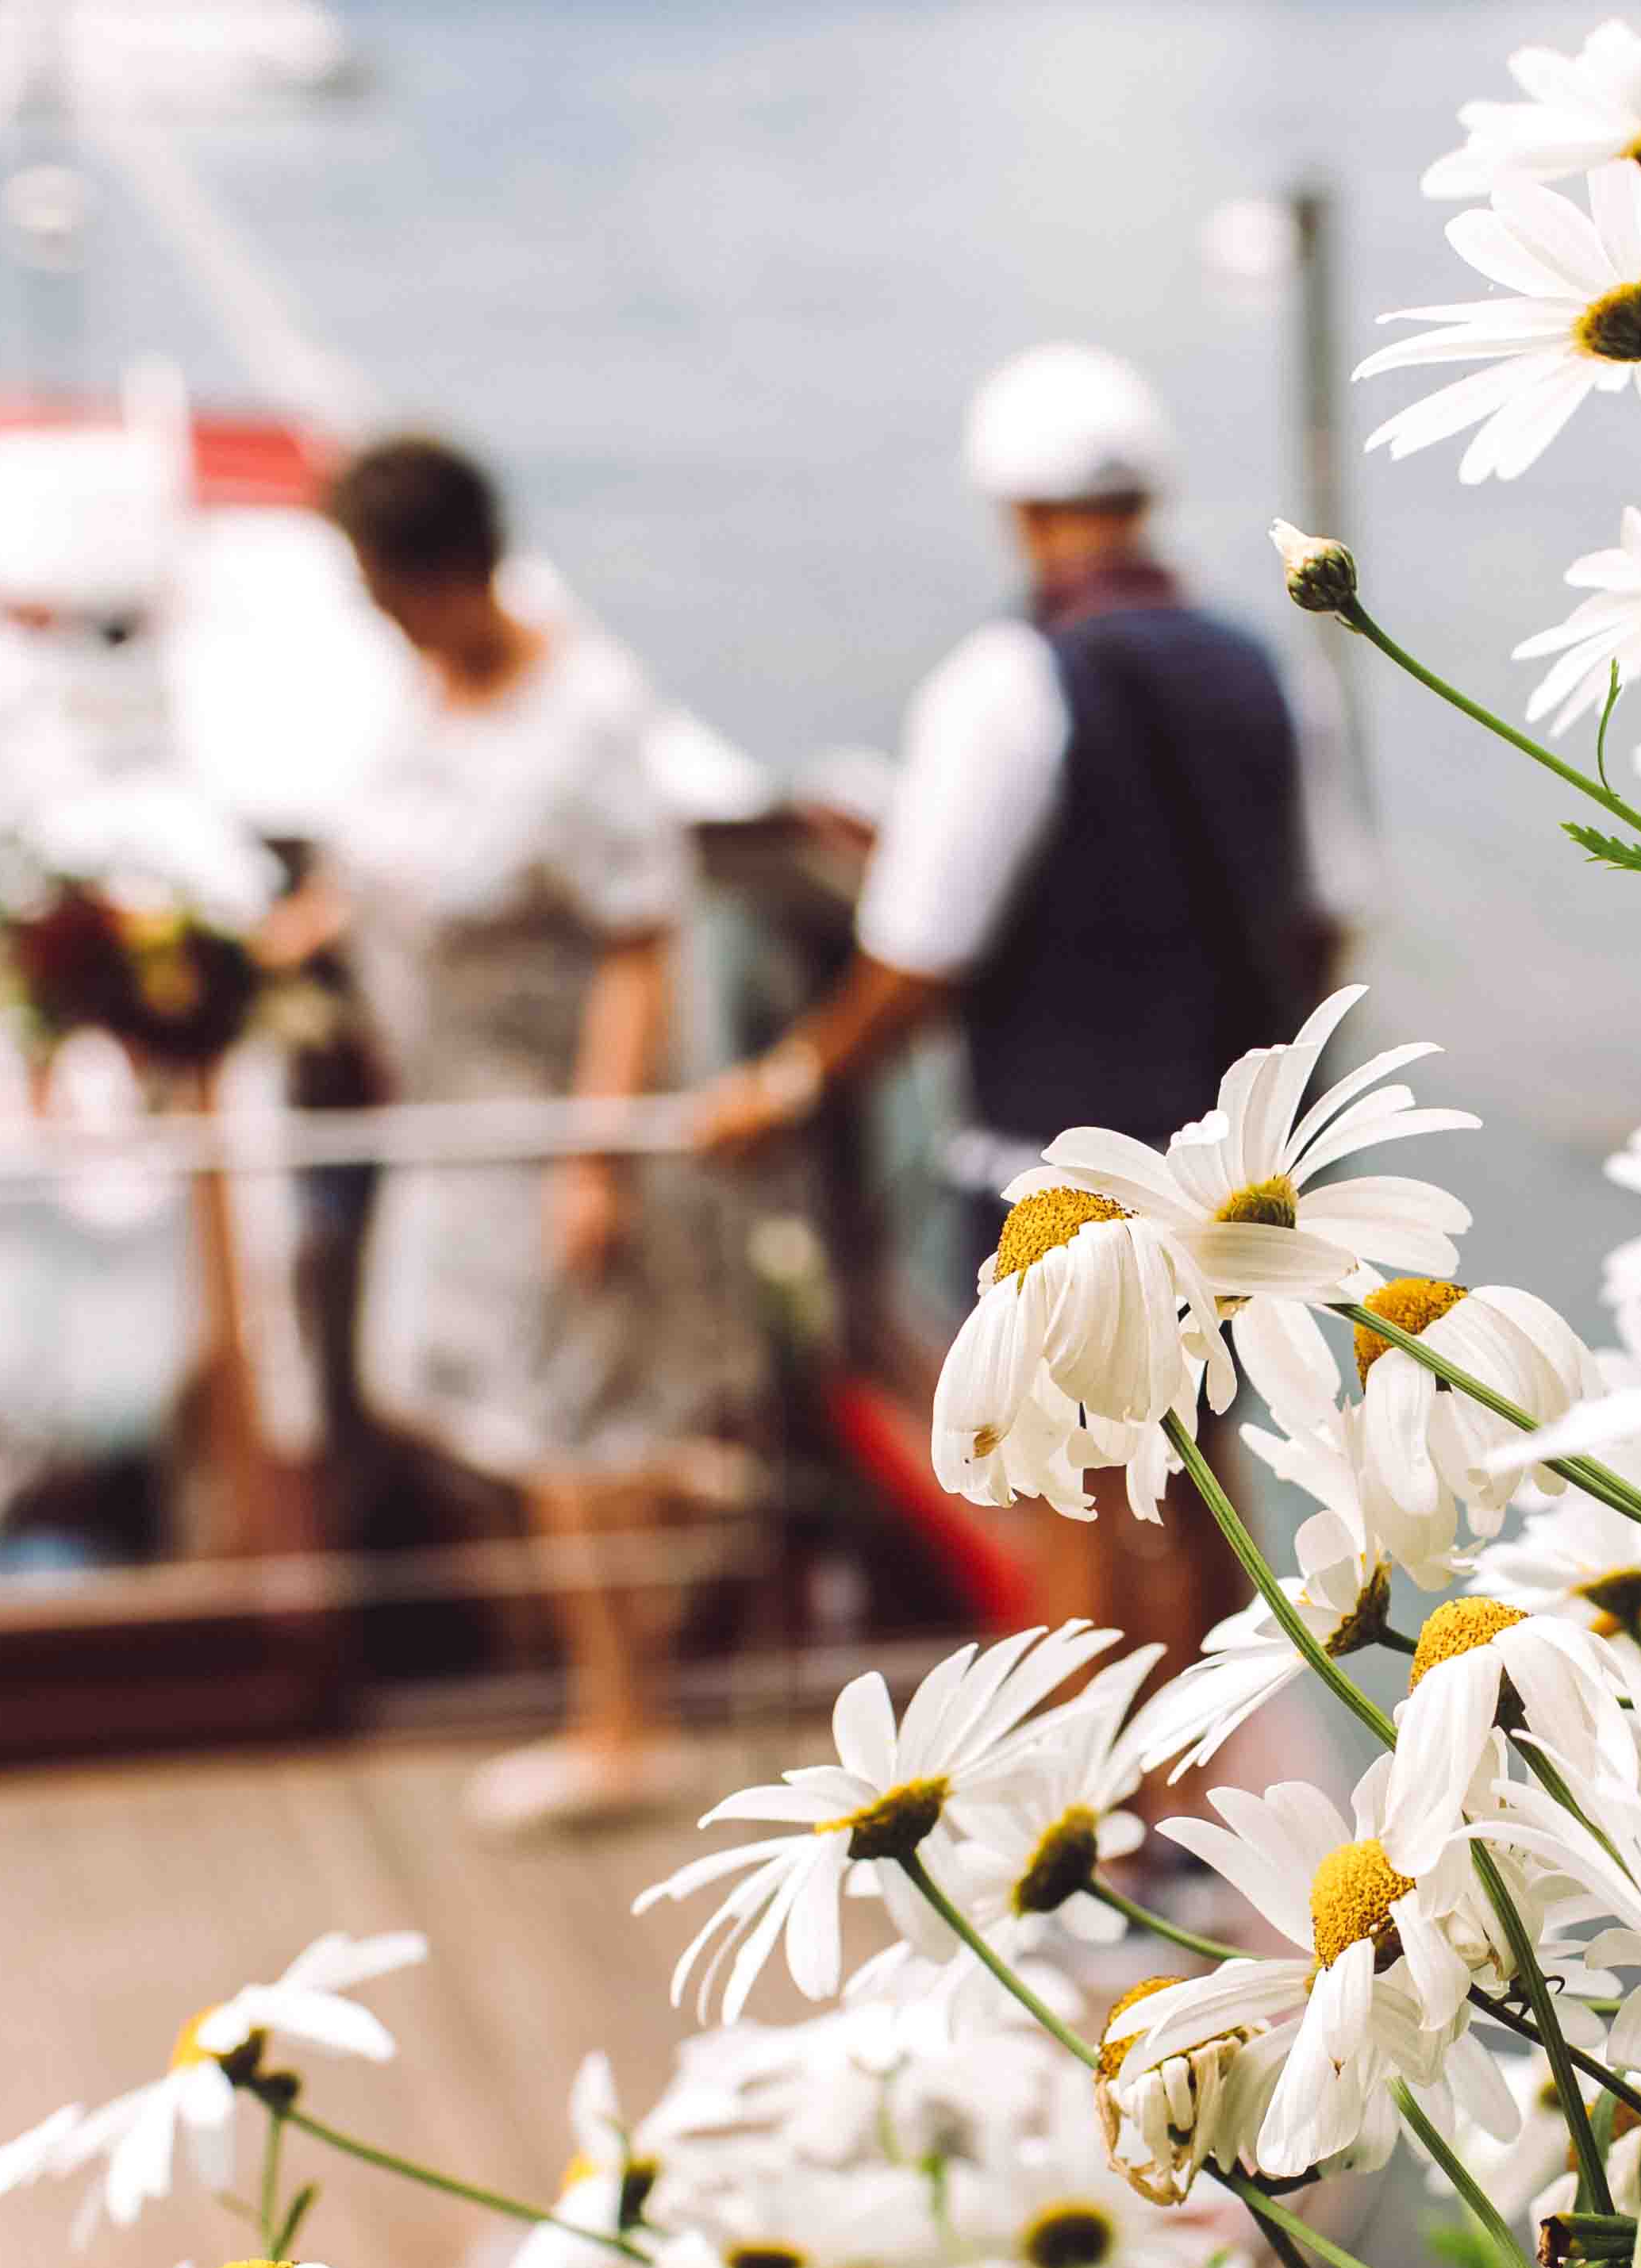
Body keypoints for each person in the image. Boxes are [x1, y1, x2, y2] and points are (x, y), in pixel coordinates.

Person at [693, 344, 1359, 1663]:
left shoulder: (1004, 684)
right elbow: (1326, 914)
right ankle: (1191, 1801)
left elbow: (920, 952)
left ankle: (1110, 1808)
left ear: (1014, 507)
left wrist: (792, 1082)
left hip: (1054, 1169)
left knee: (1082, 1484)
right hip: (1234, 1169)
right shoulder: (1274, 669)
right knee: (1204, 1467)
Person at [279, 435, 763, 1832]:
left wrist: (596, 1157)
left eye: (375, 583)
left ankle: (624, 1719)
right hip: (453, 1130)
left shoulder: (586, 718)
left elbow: (638, 942)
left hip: (557, 1129)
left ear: (433, 574)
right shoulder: (429, 694)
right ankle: (652, 1574)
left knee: (570, 1426)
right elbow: (377, 864)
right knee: (483, 1397)